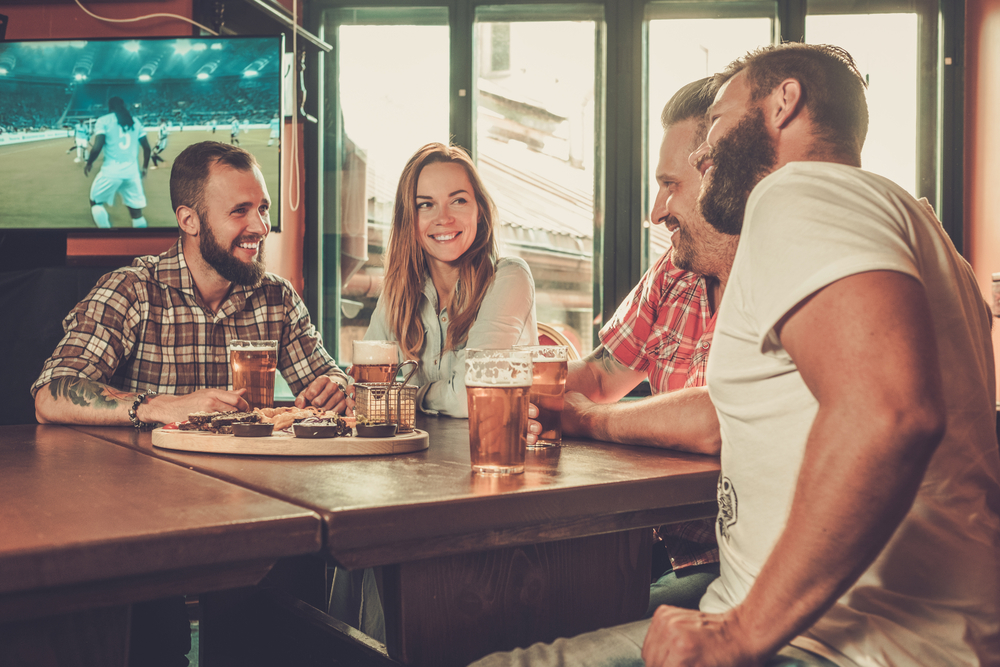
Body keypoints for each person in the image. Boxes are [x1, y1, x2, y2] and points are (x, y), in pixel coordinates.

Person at [475, 42, 1000, 667]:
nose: (704, 151)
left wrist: (739, 631)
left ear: (783, 103)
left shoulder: (794, 191)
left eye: (717, 123)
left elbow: (889, 413)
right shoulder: (927, 236)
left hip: (840, 647)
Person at [533, 78, 732, 614]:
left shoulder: (778, 273)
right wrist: (525, 386)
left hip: (733, 562)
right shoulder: (676, 266)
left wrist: (587, 420)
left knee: (560, 617)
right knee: (519, 591)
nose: (656, 210)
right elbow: (601, 375)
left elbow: (717, 418)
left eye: (670, 184)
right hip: (659, 540)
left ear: (722, 176)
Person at [33, 140, 350, 428]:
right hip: (148, 482)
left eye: (263, 208)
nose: (262, 227)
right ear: (189, 220)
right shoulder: (131, 290)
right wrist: (161, 406)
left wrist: (335, 387)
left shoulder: (276, 297)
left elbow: (329, 378)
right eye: (240, 211)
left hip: (249, 482)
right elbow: (50, 396)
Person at [363, 142, 537, 417]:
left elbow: (472, 395)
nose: (443, 218)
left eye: (458, 201)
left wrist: (408, 395)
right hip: (409, 459)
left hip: (489, 455)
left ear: (479, 211)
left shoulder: (509, 278)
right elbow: (363, 390)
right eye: (426, 205)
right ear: (410, 219)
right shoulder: (397, 292)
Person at [84, 96, 151, 229]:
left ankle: (106, 236)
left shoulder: (104, 121)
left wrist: (89, 162)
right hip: (132, 174)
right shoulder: (135, 122)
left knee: (95, 202)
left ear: (110, 107)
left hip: (111, 172)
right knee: (136, 213)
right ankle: (143, 245)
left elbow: (97, 147)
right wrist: (144, 168)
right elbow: (147, 148)